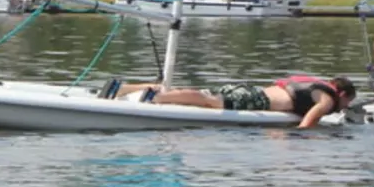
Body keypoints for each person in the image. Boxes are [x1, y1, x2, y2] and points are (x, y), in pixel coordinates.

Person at [109, 75, 356, 129]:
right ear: (343, 94)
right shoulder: (327, 98)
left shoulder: (313, 83)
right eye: (346, 103)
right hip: (255, 99)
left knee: (203, 98)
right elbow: (308, 123)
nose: (342, 108)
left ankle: (130, 88)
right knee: (208, 100)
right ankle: (157, 96)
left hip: (251, 90)